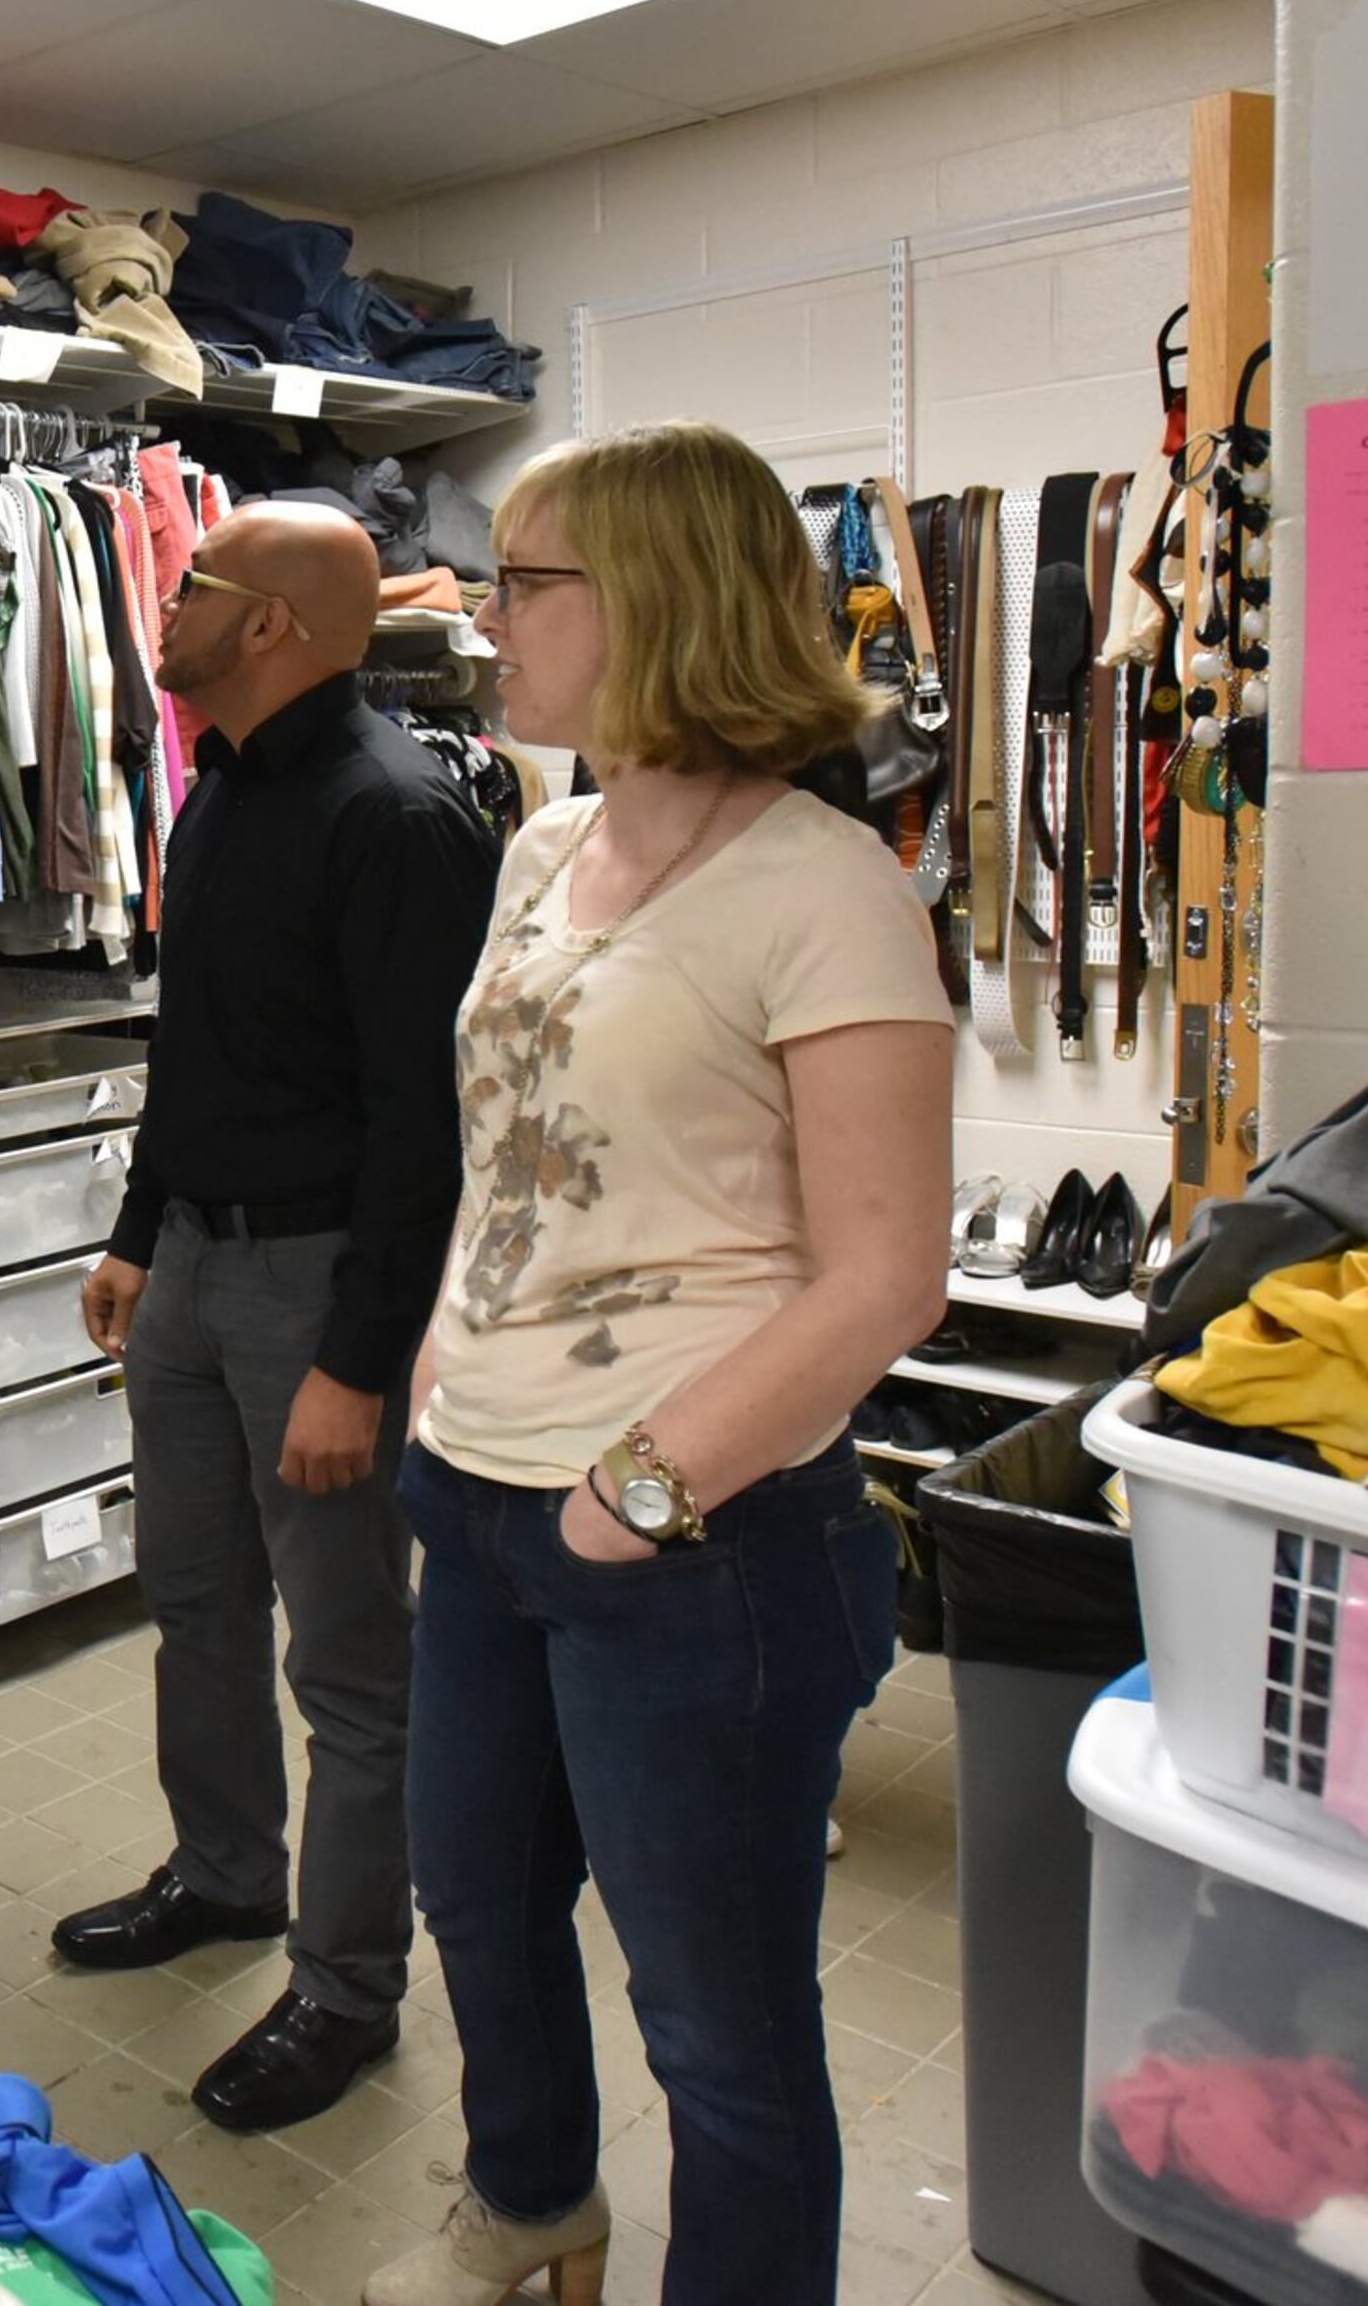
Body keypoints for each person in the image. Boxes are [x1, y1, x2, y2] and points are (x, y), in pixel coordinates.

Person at [363, 423, 949, 2306]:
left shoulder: (825, 884)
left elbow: (886, 1275)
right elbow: (512, 1141)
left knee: (717, 2026)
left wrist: (636, 1495)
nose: (481, 616)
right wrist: (452, 1373)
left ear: (662, 602)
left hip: (692, 1540)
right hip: (483, 1493)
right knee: (478, 1905)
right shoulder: (541, 841)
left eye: (525, 582)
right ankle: (534, 2221)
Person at [56, 500, 499, 2133]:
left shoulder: (398, 816)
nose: (164, 603)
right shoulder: (222, 791)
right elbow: (199, 1049)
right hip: (188, 1269)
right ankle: (228, 1873)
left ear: (272, 625)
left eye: (194, 583)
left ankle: (343, 1988)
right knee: (194, 1603)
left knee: (353, 1664)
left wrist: (358, 1365)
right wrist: (134, 1229)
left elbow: (424, 1125)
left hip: (319, 1285)